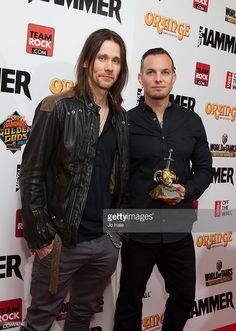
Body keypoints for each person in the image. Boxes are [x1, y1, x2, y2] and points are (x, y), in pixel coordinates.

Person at [19, 28, 129, 331]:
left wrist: (116, 236)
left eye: (116, 60)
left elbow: (119, 177)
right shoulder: (57, 106)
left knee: (81, 318)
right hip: (61, 243)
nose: (109, 66)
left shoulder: (121, 118)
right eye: (102, 58)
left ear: (121, 68)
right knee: (39, 322)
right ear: (86, 62)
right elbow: (31, 174)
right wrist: (40, 238)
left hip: (104, 242)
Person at [113, 48, 212, 331]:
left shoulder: (191, 121)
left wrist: (188, 190)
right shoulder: (125, 121)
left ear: (174, 77)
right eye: (151, 72)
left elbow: (205, 168)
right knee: (129, 303)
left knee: (183, 298)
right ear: (141, 78)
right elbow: (113, 176)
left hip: (178, 227)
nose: (158, 78)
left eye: (164, 72)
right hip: (137, 228)